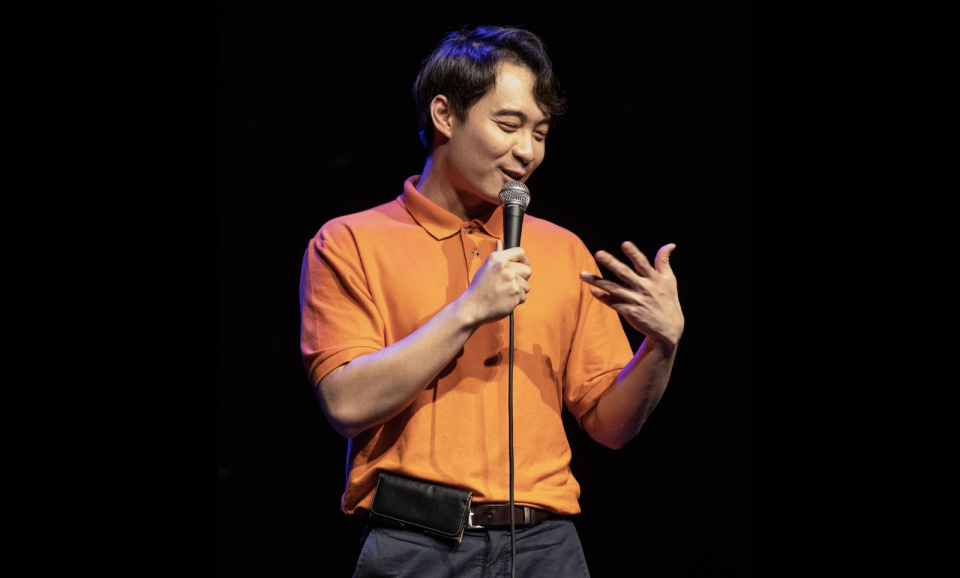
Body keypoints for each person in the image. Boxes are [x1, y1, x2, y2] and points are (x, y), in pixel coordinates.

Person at [299, 25, 684, 577]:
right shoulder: (350, 241)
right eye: (508, 125)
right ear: (444, 115)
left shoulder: (560, 247)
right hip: (416, 545)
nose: (526, 151)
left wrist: (660, 346)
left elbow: (610, 424)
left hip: (546, 547)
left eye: (541, 132)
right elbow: (345, 404)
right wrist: (468, 310)